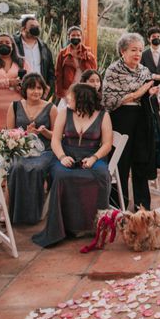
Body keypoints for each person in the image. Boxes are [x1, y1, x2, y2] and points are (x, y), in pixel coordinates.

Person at [32, 84, 113, 247]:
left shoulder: (103, 116)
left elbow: (107, 144)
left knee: (102, 176)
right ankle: (65, 227)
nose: (68, 98)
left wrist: (94, 158)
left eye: (71, 96)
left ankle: (96, 225)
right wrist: (61, 157)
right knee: (62, 176)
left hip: (92, 156)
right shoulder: (64, 113)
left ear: (82, 99)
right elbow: (55, 140)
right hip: (66, 154)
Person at [102, 33, 160, 210]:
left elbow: (146, 95)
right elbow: (110, 100)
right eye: (133, 50)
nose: (138, 53)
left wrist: (151, 92)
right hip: (121, 120)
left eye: (140, 50)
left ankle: (142, 207)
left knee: (141, 161)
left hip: (142, 120)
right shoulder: (113, 71)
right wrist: (142, 90)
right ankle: (119, 206)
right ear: (122, 51)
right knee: (121, 164)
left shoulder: (144, 71)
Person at [6, 74, 57, 225]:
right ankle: (13, 211)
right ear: (25, 89)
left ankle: (32, 214)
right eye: (32, 88)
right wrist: (25, 134)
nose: (36, 91)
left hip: (45, 151)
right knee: (16, 166)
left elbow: (58, 135)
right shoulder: (14, 106)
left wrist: (46, 133)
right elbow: (9, 132)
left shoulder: (51, 108)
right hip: (21, 149)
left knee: (36, 168)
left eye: (39, 88)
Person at [55, 26, 97, 100]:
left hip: (85, 87)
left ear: (81, 37)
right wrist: (60, 91)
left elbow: (94, 70)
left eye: (78, 35)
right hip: (69, 88)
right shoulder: (62, 54)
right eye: (73, 35)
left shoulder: (88, 53)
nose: (76, 37)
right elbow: (58, 74)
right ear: (69, 37)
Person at [13, 16, 55, 90]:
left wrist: (48, 86)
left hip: (39, 88)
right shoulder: (14, 44)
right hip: (20, 88)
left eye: (37, 26)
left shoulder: (44, 47)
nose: (36, 28)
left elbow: (50, 70)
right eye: (32, 26)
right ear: (23, 29)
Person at [140, 27, 160, 106]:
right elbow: (140, 72)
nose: (156, 38)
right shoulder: (143, 54)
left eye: (158, 36)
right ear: (149, 39)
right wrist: (153, 76)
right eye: (154, 37)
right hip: (148, 90)